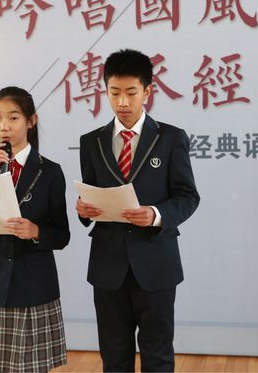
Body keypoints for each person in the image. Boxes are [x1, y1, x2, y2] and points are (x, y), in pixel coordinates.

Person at [76, 49, 200, 372]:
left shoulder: (171, 138)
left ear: (147, 91)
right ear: (105, 91)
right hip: (108, 266)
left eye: (131, 93)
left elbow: (188, 196)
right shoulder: (91, 142)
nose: (123, 102)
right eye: (114, 93)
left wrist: (156, 214)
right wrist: (83, 209)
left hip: (156, 263)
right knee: (113, 356)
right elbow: (90, 195)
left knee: (158, 355)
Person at [0, 86, 70, 373]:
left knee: (31, 366)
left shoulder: (50, 172)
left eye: (13, 118)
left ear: (31, 121)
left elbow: (62, 235)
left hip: (33, 282)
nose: (4, 126)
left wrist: (36, 231)